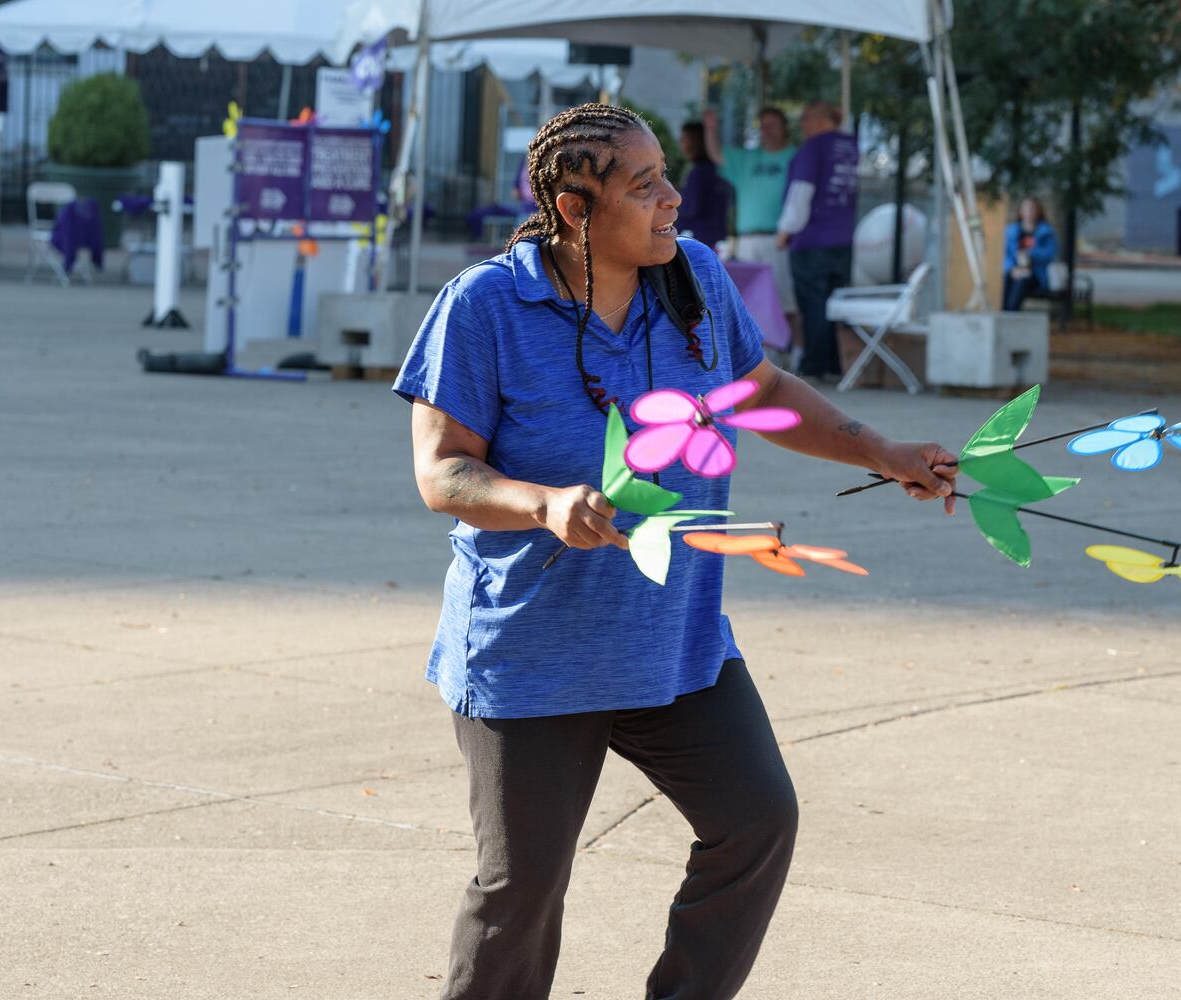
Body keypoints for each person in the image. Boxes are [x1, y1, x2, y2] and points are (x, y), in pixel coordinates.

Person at [394, 103, 957, 1000]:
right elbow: (443, 473)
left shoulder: (691, 277)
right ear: (578, 209)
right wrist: (542, 503)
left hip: (673, 641)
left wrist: (880, 452)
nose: (672, 201)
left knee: (756, 821)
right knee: (523, 891)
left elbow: (763, 388)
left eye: (669, 176)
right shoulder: (486, 306)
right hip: (535, 653)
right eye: (645, 185)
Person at [703, 106, 800, 358]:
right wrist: (711, 129)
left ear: (784, 128)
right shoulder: (747, 159)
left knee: (785, 299)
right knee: (747, 302)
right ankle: (756, 358)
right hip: (747, 240)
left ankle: (797, 352)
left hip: (778, 238)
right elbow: (717, 155)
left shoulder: (793, 156)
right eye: (763, 125)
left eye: (773, 125)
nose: (767, 131)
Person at [776, 101, 859, 381]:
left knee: (813, 305)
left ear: (820, 119)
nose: (802, 124)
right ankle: (836, 365)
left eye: (806, 117)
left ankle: (814, 367)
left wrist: (785, 231)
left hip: (812, 240)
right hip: (843, 239)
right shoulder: (849, 147)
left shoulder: (813, 147)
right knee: (835, 305)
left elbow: (801, 192)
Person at [674, 120, 728, 248]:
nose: (681, 141)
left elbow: (692, 208)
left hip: (697, 238)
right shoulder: (717, 170)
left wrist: (678, 198)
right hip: (716, 237)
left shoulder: (698, 172)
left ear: (695, 141)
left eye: (684, 138)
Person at [1001, 196, 1058, 311]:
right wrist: (1012, 269)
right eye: (1026, 208)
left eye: (1032, 209)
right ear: (1021, 211)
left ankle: (1010, 315)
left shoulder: (1046, 232)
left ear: (1038, 211)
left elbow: (1050, 254)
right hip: (1014, 272)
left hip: (1036, 274)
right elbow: (1003, 255)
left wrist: (1031, 254)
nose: (1029, 212)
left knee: (1022, 280)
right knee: (1005, 280)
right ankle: (1001, 312)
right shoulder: (1010, 231)